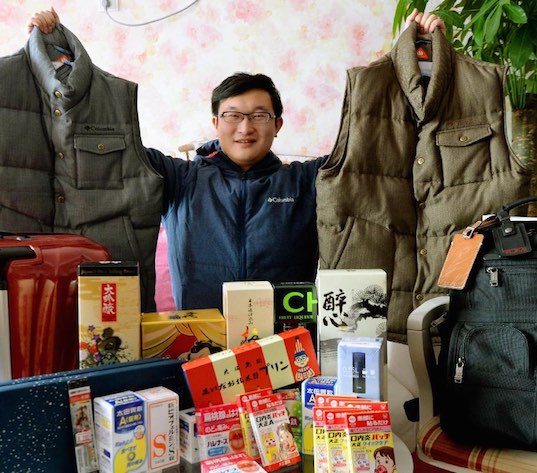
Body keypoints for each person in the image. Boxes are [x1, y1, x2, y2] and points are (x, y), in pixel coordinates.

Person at [26, 8, 445, 313]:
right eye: (233, 116)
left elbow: (368, 139)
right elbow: (110, 140)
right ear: (216, 121)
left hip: (289, 348)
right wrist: (55, 52)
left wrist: (410, 56)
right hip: (199, 343)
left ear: (278, 124)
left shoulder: (307, 180)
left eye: (259, 116)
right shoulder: (180, 178)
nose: (245, 127)